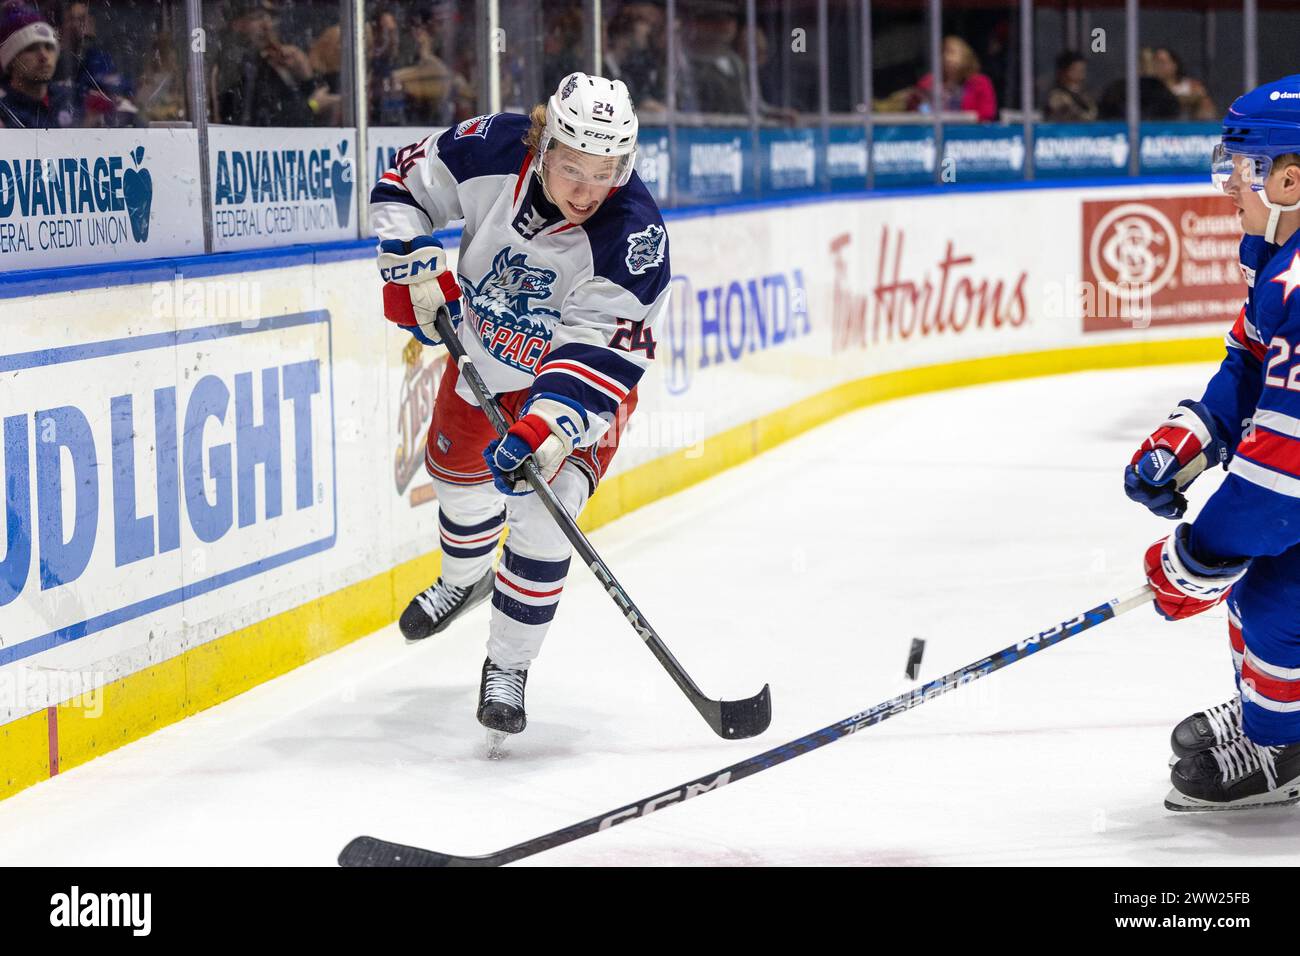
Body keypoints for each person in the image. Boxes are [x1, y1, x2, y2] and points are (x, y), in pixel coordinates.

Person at [369, 73, 670, 747]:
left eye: (606, 173)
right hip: (484, 362)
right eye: (573, 170)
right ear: (542, 145)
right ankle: (463, 580)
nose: (589, 190)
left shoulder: (634, 238)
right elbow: (401, 186)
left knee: (541, 517)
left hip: (580, 394)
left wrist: (549, 426)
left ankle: (506, 669)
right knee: (456, 484)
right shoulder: (492, 147)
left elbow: (598, 353)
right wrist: (410, 263)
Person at [1124, 75, 1300, 811]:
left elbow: (1283, 477)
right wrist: (1193, 433)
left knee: (1277, 595)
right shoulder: (1279, 264)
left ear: (1290, 178)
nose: (1230, 181)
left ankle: (1282, 746)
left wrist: (1202, 554)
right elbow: (1250, 366)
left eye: (1245, 165)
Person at [211, 0, 316, 126]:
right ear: (236, 24)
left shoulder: (265, 65)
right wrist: (314, 105)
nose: (267, 25)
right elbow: (274, 123)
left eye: (270, 17)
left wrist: (305, 78)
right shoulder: (233, 70)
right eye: (258, 17)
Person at [0, 1, 73, 129]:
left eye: (49, 47)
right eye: (31, 49)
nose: (44, 56)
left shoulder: (72, 97)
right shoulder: (4, 112)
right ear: (11, 60)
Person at [907, 35, 996, 123]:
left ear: (965, 55)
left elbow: (987, 114)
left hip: (969, 133)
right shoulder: (927, 82)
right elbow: (917, 109)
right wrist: (926, 112)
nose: (947, 58)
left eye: (952, 52)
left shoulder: (980, 83)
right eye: (943, 53)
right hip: (934, 133)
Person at [1152, 46, 1215, 121]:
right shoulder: (1148, 88)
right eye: (1155, 62)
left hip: (1184, 129)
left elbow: (1208, 110)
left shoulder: (1191, 85)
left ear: (1174, 65)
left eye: (1162, 62)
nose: (1158, 66)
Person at [1043, 50, 1096, 123]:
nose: (1080, 76)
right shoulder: (1056, 97)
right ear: (1062, 72)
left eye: (1082, 71)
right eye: (1075, 70)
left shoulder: (1085, 95)